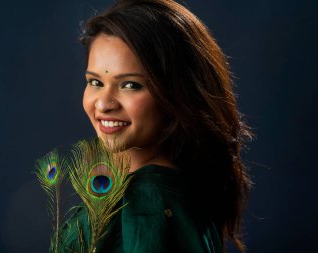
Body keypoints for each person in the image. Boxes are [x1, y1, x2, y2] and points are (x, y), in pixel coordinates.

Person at [56, 0, 252, 252]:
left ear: (176, 93)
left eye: (130, 85)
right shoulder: (161, 189)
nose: (103, 104)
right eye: (95, 82)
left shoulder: (148, 203)